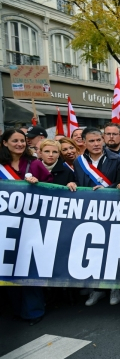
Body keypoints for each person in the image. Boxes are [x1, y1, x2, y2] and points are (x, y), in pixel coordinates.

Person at [1, 129, 53, 326]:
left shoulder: (35, 163)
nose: (20, 144)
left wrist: (37, 184)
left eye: (22, 141)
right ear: (5, 143)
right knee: (10, 268)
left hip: (32, 224)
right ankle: (16, 309)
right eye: (15, 141)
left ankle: (33, 310)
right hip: (6, 226)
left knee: (30, 267)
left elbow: (51, 188)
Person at [71, 127, 120, 306]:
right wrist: (71, 182)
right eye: (91, 141)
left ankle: (115, 287)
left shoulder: (116, 159)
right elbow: (79, 182)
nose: (96, 144)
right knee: (93, 250)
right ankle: (97, 289)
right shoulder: (79, 161)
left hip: (112, 211)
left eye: (98, 140)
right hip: (89, 213)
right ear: (84, 143)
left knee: (112, 250)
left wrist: (108, 190)